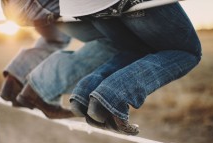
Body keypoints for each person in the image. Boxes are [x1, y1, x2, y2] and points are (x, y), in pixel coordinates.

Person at [59, 0, 202, 135]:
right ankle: (110, 99)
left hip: (80, 7)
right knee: (187, 51)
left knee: (136, 50)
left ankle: (84, 95)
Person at [0, 0, 119, 119]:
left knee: (56, 39)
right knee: (115, 41)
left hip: (13, 6)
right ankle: (40, 89)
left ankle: (16, 78)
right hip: (36, 4)